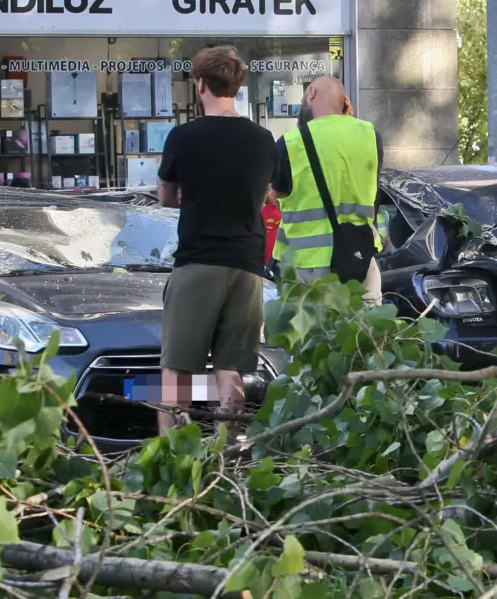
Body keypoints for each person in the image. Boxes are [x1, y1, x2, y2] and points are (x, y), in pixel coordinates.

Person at [156, 46, 275, 437]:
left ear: (201, 85)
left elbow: (165, 196)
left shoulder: (183, 136)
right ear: (236, 86)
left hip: (198, 261)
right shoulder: (263, 139)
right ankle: (230, 454)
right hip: (247, 266)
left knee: (176, 372)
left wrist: (195, 196)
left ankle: (171, 456)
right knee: (231, 370)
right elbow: (265, 195)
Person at [269, 76, 383, 305]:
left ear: (311, 92)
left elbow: (276, 194)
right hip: (361, 258)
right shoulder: (371, 134)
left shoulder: (291, 142)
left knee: (316, 327)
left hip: (310, 265)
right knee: (366, 327)